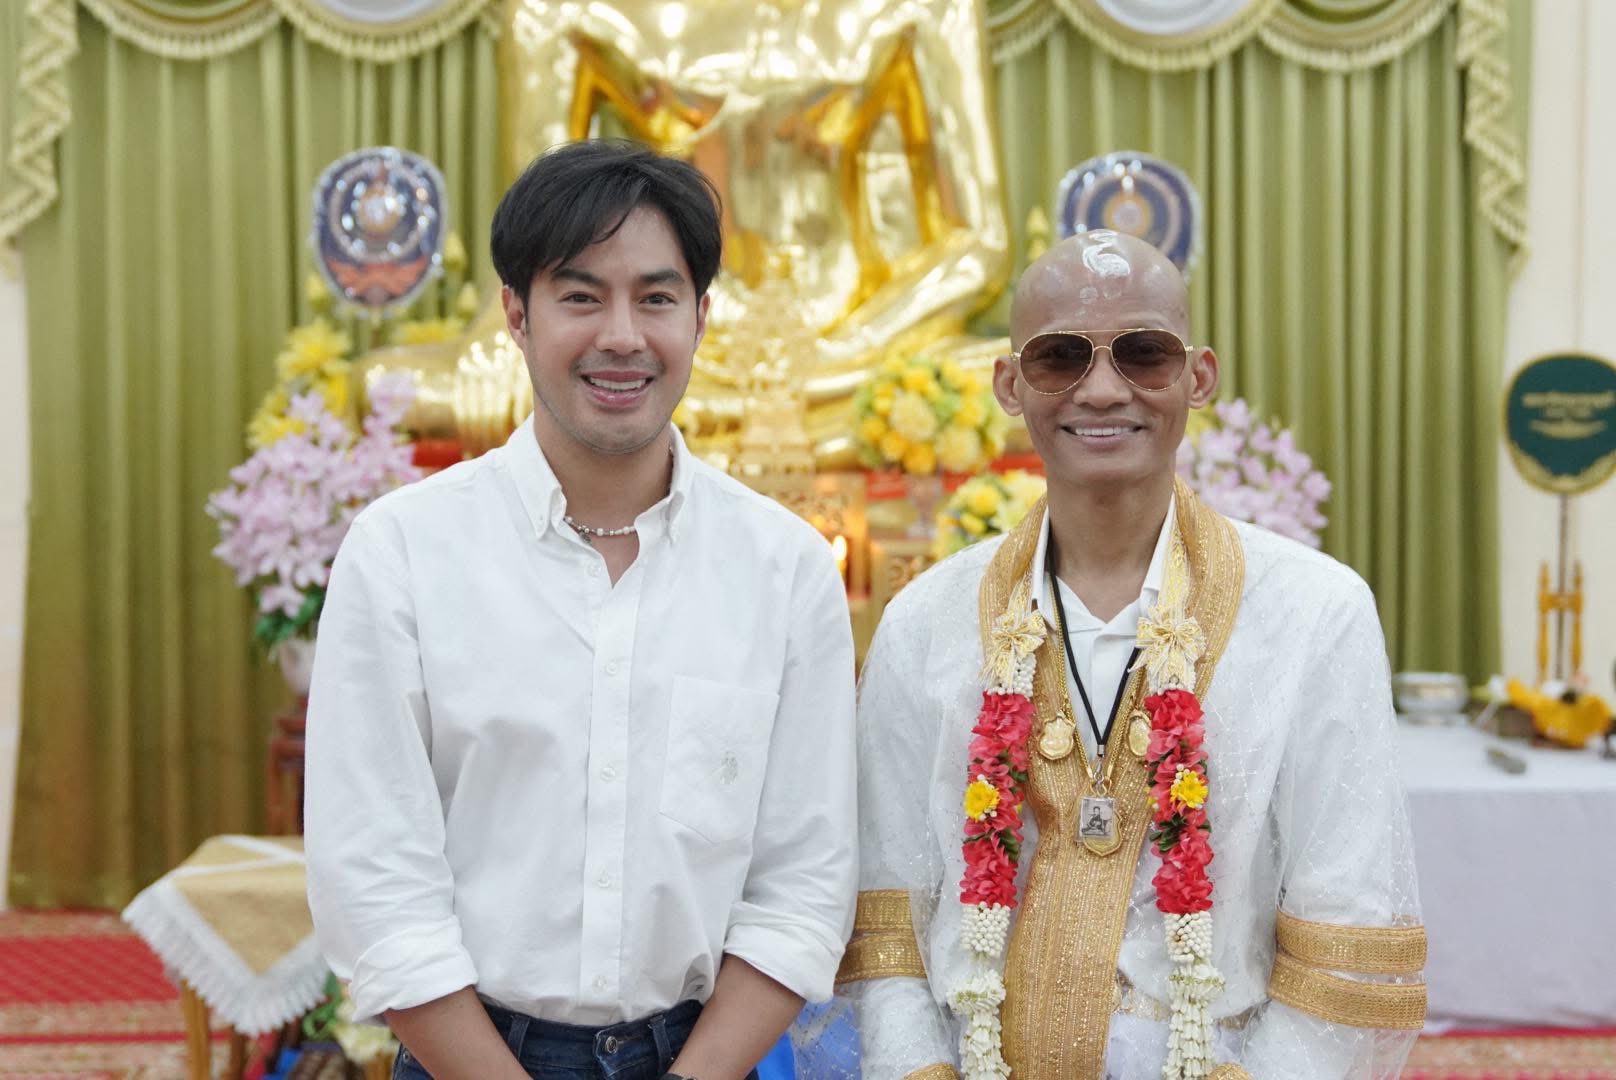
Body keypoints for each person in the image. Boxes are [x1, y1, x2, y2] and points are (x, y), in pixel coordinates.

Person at [304, 139, 857, 1080]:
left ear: (701, 316)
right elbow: (376, 885)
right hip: (467, 1055)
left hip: (702, 1057)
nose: (622, 336)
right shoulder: (403, 550)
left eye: (655, 296)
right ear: (516, 315)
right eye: (580, 295)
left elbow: (802, 884)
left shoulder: (786, 567)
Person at [839, 230, 1427, 1079]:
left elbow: (1348, 937)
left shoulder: (1313, 613)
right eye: (1060, 358)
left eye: (1144, 354)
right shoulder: (925, 623)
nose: (1103, 389)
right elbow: (885, 924)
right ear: (1010, 384)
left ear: (1200, 376)